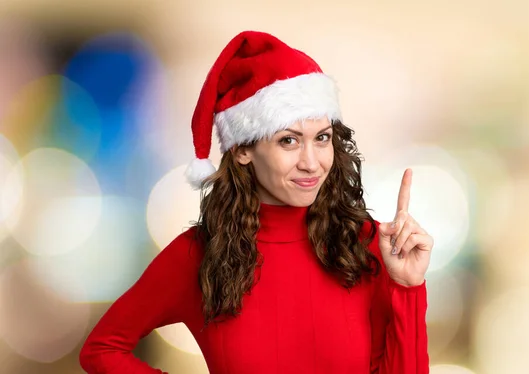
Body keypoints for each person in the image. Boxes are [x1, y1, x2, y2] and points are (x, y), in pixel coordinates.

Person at [79, 30, 433, 374]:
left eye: (322, 138)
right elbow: (102, 349)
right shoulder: (200, 256)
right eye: (288, 141)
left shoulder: (366, 246)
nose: (312, 162)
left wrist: (408, 287)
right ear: (243, 149)